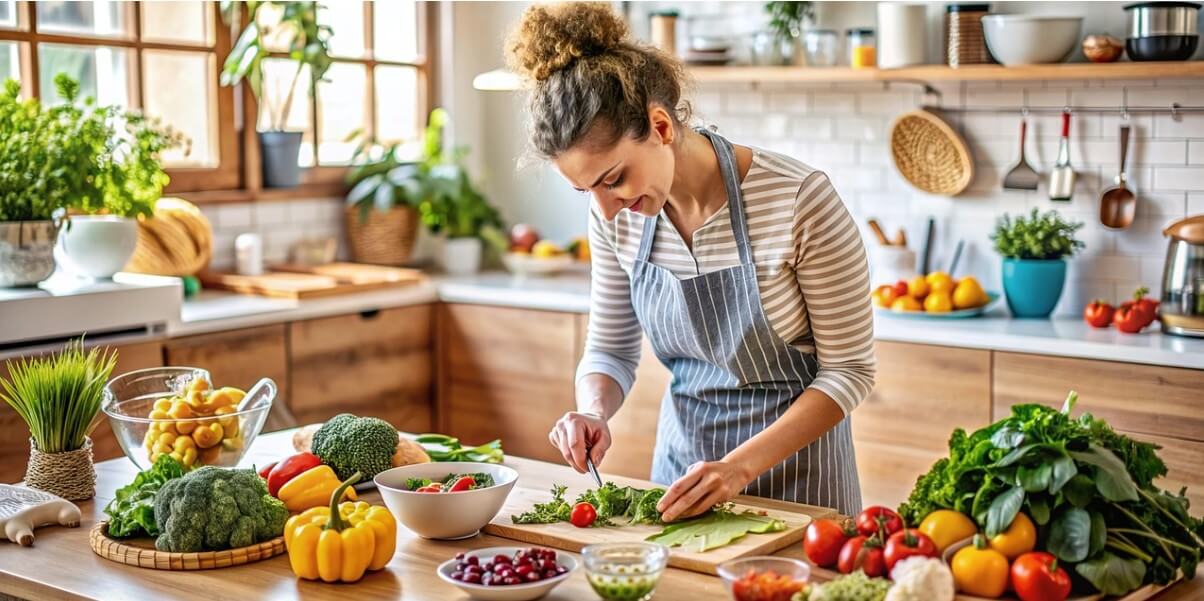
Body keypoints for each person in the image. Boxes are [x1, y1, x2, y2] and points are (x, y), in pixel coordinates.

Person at [505, 2, 875, 521]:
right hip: (683, 482)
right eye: (584, 191)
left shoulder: (796, 199)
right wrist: (593, 411)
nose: (605, 207)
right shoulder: (617, 216)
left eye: (613, 179)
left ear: (660, 127)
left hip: (804, 491)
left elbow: (848, 372)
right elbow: (610, 348)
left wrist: (738, 469)